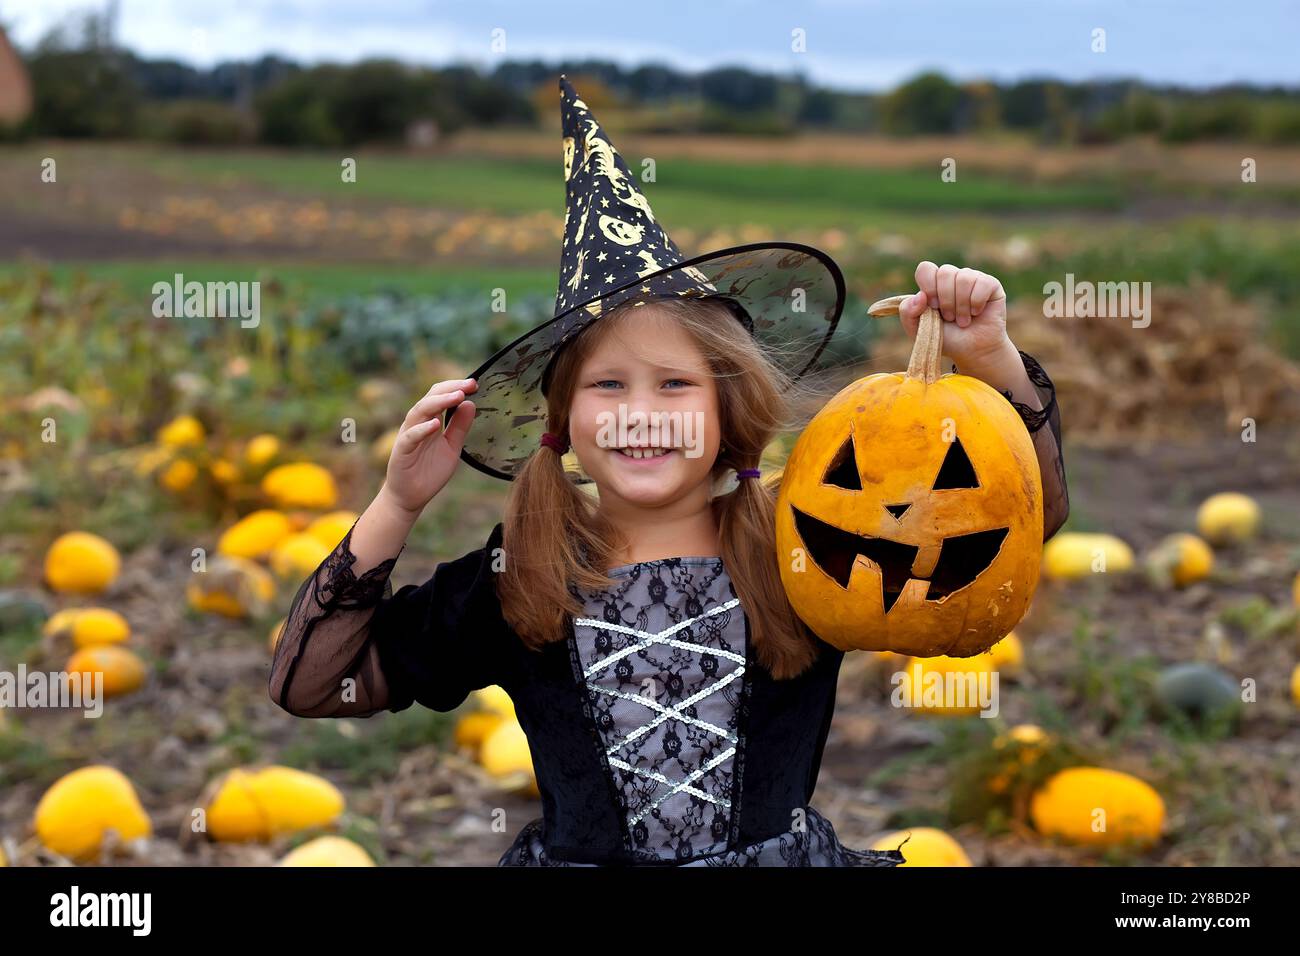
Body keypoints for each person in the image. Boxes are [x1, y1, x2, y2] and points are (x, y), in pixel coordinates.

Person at [268, 76, 1069, 867]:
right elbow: (313, 683)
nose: (640, 412)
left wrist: (990, 359)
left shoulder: (800, 550)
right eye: (607, 385)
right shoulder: (523, 578)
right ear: (564, 421)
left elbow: (1001, 531)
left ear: (728, 412)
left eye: (675, 385)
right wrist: (397, 503)